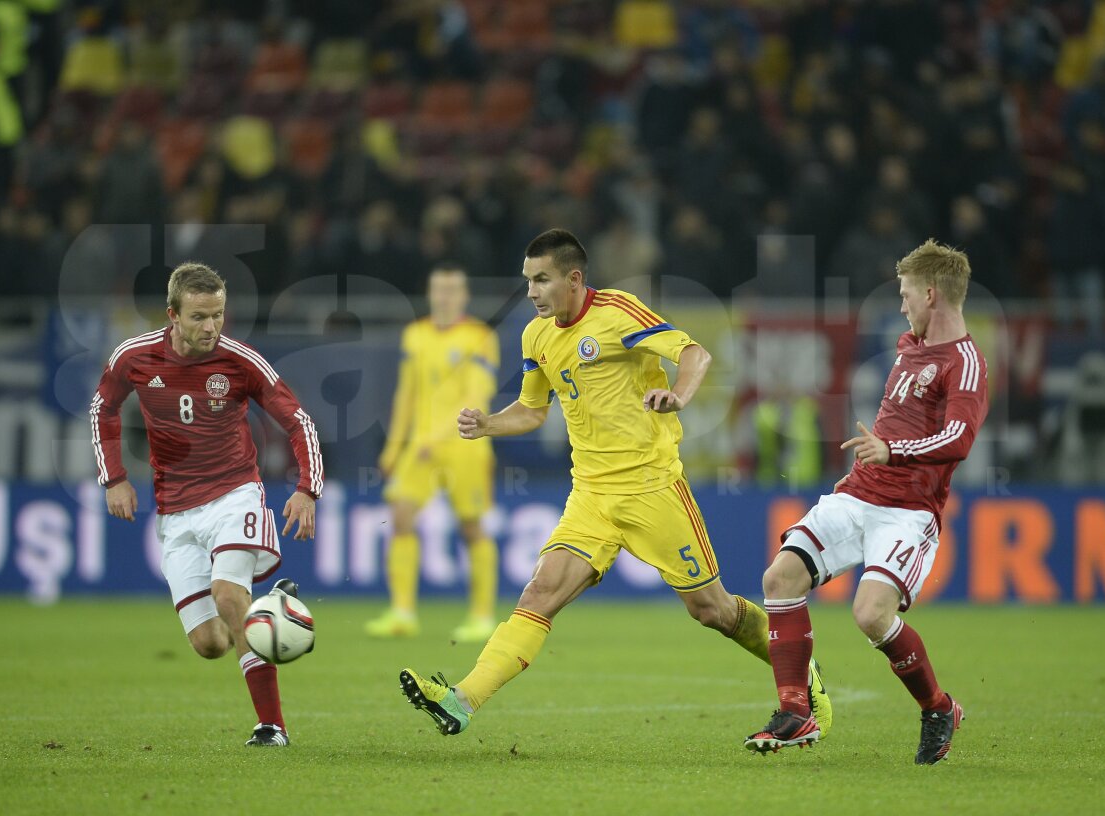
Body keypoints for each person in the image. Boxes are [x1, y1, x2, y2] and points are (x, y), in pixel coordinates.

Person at [397, 229, 832, 737]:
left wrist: (679, 396)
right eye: (528, 281)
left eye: (542, 280)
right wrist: (489, 423)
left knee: (711, 610)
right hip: (591, 495)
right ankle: (460, 701)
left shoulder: (619, 312)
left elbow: (694, 354)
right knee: (540, 592)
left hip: (652, 488)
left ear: (574, 279)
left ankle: (803, 679)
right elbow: (533, 410)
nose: (532, 292)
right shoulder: (536, 336)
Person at [745, 240, 988, 764]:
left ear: (930, 294)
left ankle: (939, 707)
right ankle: (794, 711)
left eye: (905, 295)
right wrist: (882, 451)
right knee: (779, 578)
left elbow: (960, 439)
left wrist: (892, 449)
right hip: (858, 493)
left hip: (908, 512)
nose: (901, 306)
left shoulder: (965, 362)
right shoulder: (909, 346)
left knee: (871, 614)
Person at [90, 262, 324, 747]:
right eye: (199, 317)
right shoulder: (134, 356)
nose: (211, 326)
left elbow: (298, 419)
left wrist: (307, 488)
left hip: (234, 494)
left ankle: (271, 727)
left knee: (227, 595)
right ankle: (270, 606)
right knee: (210, 644)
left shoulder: (240, 361)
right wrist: (114, 479)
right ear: (172, 315)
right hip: (175, 512)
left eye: (218, 314)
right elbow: (102, 409)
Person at [366, 262, 501, 642]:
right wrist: (394, 446)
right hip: (418, 445)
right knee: (401, 517)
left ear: (464, 295)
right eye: (439, 289)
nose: (444, 296)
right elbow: (406, 395)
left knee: (471, 527)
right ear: (430, 293)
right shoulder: (416, 334)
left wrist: (439, 437)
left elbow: (477, 397)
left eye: (452, 290)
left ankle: (481, 616)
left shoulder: (480, 336)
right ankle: (402, 613)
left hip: (465, 445)